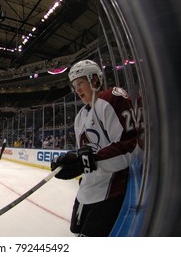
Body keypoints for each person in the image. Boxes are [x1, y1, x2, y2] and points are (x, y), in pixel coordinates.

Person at [51, 60, 138, 236]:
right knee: (76, 234)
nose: (77, 90)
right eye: (74, 86)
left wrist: (85, 162)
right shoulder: (80, 116)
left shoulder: (111, 99)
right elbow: (85, 152)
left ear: (95, 80)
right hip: (86, 192)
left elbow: (129, 147)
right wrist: (71, 162)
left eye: (80, 83)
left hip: (110, 192)